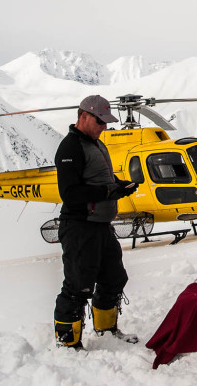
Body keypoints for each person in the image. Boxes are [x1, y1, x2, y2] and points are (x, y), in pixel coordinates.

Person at [53, 95, 139, 349]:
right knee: (77, 286)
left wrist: (119, 187)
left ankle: (106, 330)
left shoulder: (96, 145)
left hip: (101, 226)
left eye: (106, 122)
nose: (104, 127)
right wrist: (107, 192)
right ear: (83, 116)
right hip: (80, 226)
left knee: (114, 277)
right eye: (100, 121)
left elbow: (102, 179)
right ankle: (68, 343)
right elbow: (69, 194)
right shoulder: (70, 147)